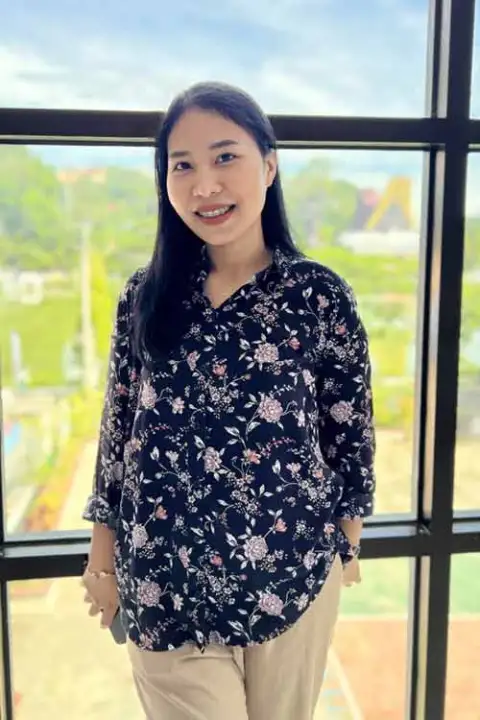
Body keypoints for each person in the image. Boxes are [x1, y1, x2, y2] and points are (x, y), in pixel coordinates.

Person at [81, 81, 376, 720]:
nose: (204, 185)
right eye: (182, 166)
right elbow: (119, 431)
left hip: (290, 579)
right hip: (163, 584)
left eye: (225, 157)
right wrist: (101, 562)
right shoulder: (146, 295)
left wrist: (344, 548)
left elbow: (349, 432)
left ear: (268, 165)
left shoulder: (317, 296)